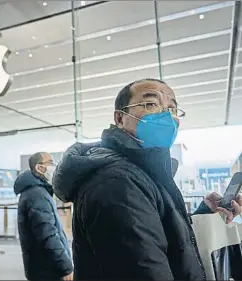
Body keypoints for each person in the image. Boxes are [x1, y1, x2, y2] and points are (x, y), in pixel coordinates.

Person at [53, 78, 242, 281]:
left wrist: (204, 211)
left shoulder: (142, 173)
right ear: (120, 118)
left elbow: (159, 235)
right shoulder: (116, 183)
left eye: (172, 109)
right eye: (151, 104)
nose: (167, 116)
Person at [14, 152, 73, 281]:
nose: (55, 167)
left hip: (41, 268)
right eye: (51, 163)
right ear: (40, 168)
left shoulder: (37, 192)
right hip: (47, 270)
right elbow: (48, 235)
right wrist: (66, 267)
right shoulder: (37, 195)